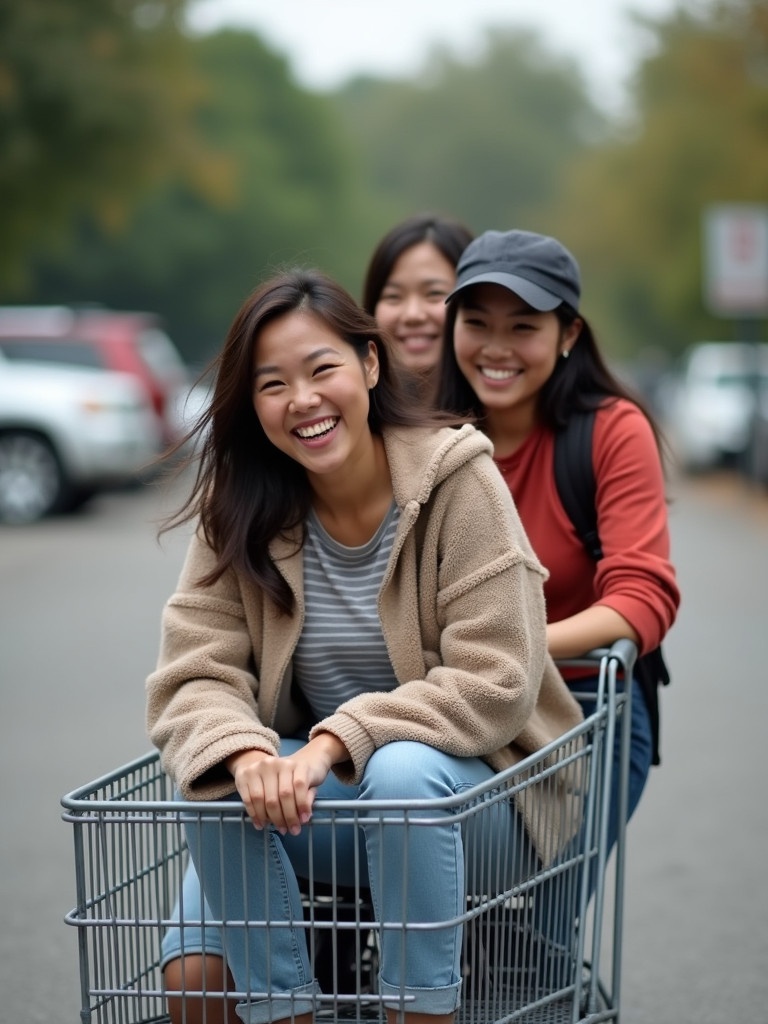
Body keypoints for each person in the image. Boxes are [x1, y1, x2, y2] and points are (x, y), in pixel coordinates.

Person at [146, 268, 585, 1024]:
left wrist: (329, 744)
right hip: (330, 807)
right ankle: (284, 1009)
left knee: (403, 772)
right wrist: (250, 757)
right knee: (197, 948)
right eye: (272, 384)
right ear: (252, 406)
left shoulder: (458, 478)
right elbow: (194, 674)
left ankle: (420, 1012)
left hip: (476, 804)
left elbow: (496, 678)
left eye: (322, 370)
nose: (303, 401)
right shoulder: (243, 507)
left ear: (370, 365)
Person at [435, 229, 681, 888]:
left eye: (523, 327)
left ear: (568, 334)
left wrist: (519, 647)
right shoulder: (423, 434)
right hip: (458, 705)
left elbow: (642, 597)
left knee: (532, 948)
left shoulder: (611, 431)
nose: (495, 347)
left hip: (585, 709)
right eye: (477, 322)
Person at [362, 213, 473, 397]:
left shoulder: (502, 418)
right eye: (393, 296)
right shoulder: (354, 419)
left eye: (434, 293)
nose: (412, 315)